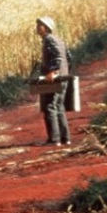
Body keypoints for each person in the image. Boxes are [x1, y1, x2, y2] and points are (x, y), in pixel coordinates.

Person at [35, 16, 71, 146]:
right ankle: (65, 138)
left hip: (55, 77)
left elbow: (59, 57)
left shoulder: (49, 39)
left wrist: (54, 71)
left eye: (40, 25)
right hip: (62, 76)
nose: (37, 28)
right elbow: (68, 56)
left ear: (47, 28)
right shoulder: (57, 39)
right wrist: (65, 72)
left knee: (50, 106)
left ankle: (54, 139)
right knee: (59, 106)